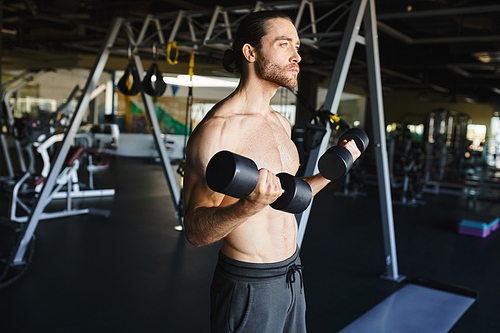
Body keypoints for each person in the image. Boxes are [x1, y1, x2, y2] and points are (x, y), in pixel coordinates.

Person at [183, 10, 360, 333]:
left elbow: (287, 196)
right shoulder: (218, 132)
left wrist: (333, 170)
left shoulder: (281, 123)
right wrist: (247, 205)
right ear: (250, 52)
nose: (297, 56)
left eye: (297, 46)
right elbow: (195, 231)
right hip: (248, 285)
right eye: (284, 45)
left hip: (292, 273)